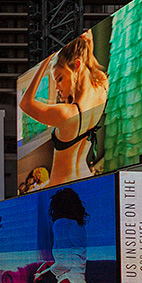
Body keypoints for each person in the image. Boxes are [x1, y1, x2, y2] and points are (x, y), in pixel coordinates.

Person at [19, 30, 109, 188]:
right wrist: (88, 42)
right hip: (85, 177)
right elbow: (87, 64)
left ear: (77, 66)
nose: (57, 87)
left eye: (59, 79)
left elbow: (25, 103)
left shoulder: (66, 113)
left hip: (62, 187)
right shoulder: (102, 85)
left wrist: (44, 62)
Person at [33, 187, 94, 283]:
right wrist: (47, 264)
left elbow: (65, 264)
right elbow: (73, 259)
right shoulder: (79, 226)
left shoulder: (60, 224)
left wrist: (41, 275)